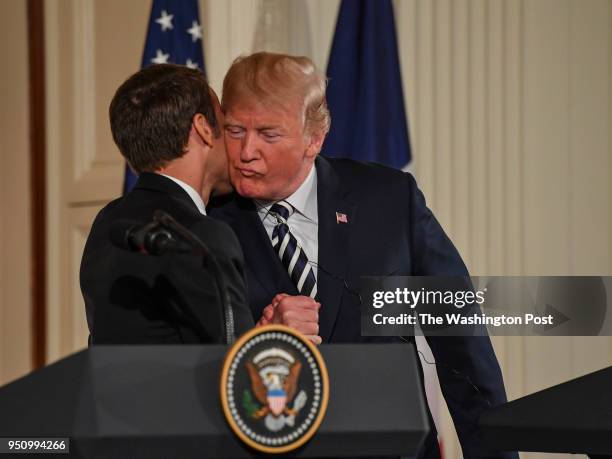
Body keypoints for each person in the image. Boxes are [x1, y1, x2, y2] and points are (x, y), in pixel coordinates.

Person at [209, 52, 515, 458]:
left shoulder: (389, 200)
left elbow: (463, 344)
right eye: (234, 129)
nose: (245, 151)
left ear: (313, 138)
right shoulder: (204, 224)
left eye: (267, 133)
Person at [80, 64, 253, 345]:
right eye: (228, 126)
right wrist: (276, 337)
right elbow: (235, 373)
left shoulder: (108, 221)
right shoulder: (201, 238)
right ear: (203, 129)